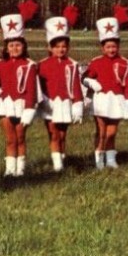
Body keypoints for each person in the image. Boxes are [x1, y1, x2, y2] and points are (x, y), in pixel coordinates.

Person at [0, 10, 39, 177]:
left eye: (18, 45)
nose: (15, 48)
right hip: (6, 105)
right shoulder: (0, 64)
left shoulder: (30, 65)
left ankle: (20, 169)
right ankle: (9, 169)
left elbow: (32, 90)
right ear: (6, 48)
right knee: (9, 139)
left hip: (22, 106)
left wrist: (30, 109)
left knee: (20, 137)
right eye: (11, 45)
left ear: (24, 46)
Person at [83, 14, 128, 169]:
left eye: (114, 46)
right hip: (101, 100)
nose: (111, 50)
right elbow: (84, 78)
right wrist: (91, 82)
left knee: (112, 132)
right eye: (108, 47)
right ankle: (99, 159)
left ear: (118, 46)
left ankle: (111, 159)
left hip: (117, 100)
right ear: (102, 47)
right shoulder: (96, 62)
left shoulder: (125, 63)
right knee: (101, 131)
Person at [37, 10, 84, 172]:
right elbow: (37, 85)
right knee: (54, 133)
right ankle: (57, 165)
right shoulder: (42, 64)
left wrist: (78, 104)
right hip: (49, 103)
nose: (61, 50)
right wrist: (42, 100)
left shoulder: (72, 64)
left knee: (63, 135)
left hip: (65, 103)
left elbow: (76, 86)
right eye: (57, 47)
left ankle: (61, 158)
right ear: (50, 47)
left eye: (64, 46)